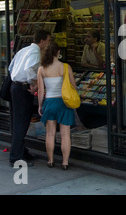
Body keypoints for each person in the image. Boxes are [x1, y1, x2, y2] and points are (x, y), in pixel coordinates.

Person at [8, 29, 51, 167]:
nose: (48, 44)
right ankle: (17, 157)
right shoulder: (34, 52)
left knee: (18, 122)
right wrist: (34, 84)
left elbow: (11, 67)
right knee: (21, 122)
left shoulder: (23, 50)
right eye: (48, 40)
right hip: (22, 89)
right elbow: (29, 70)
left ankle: (20, 151)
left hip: (15, 87)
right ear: (42, 40)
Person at [37, 42, 77, 170]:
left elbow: (41, 91)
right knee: (65, 134)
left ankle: (50, 160)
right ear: (58, 52)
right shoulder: (65, 67)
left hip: (49, 102)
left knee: (50, 134)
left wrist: (40, 105)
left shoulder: (41, 69)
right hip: (64, 102)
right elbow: (73, 86)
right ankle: (65, 162)